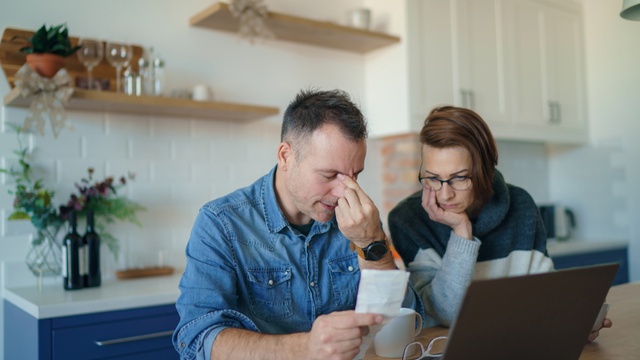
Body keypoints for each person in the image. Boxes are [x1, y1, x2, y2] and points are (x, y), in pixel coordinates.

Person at [173, 89, 424, 360]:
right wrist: (305, 348)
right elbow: (197, 339)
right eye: (330, 174)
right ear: (285, 157)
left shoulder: (359, 221)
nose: (345, 192)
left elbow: (406, 322)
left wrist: (372, 243)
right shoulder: (221, 224)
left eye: (355, 175)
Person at [387, 105, 611, 341]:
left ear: (485, 170)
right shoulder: (407, 219)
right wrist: (462, 231)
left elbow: (545, 292)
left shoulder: (521, 205)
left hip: (518, 345)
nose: (444, 195)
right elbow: (446, 313)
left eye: (459, 178)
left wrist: (574, 321)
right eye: (432, 178)